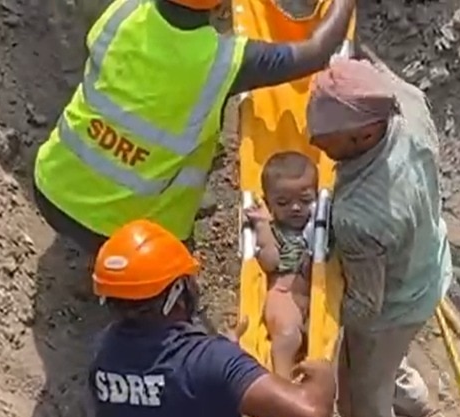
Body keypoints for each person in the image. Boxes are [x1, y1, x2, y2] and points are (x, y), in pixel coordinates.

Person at [33, 0, 356, 256]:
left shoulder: (123, 10)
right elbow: (317, 52)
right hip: (116, 234)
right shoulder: (223, 61)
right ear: (220, 7)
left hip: (50, 185)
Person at [89, 218, 337, 417]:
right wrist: (325, 375)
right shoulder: (209, 363)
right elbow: (309, 414)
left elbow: (164, 393)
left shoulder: (103, 355)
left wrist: (219, 360)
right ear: (176, 294)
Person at [306, 58, 454, 417]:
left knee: (361, 403)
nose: (315, 141)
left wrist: (314, 310)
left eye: (325, 139)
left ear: (363, 135)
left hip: (392, 305)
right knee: (389, 361)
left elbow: (364, 308)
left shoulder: (360, 215)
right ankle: (407, 389)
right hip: (429, 265)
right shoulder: (404, 100)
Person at [246, 151, 317, 379]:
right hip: (283, 293)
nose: (295, 208)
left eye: (305, 200)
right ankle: (282, 381)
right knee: (288, 336)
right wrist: (263, 228)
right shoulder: (275, 229)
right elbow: (269, 263)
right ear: (268, 204)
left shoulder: (318, 226)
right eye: (283, 203)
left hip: (314, 296)